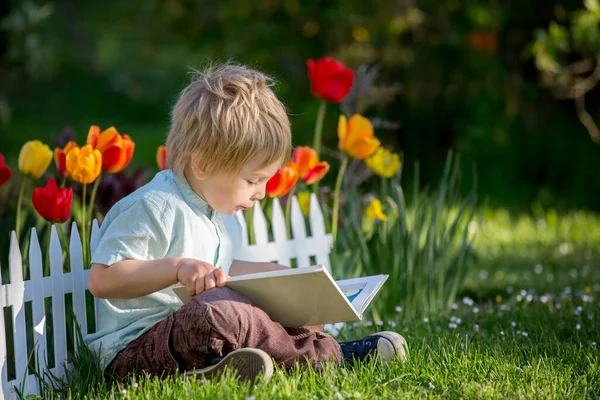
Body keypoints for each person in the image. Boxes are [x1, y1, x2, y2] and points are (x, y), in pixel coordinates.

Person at [84, 63, 408, 382]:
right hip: (134, 351)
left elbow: (219, 269)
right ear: (203, 164)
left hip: (189, 341)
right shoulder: (155, 206)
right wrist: (177, 267)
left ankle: (215, 370)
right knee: (220, 312)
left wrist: (279, 279)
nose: (262, 193)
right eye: (253, 180)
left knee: (278, 308)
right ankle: (335, 357)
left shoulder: (221, 215)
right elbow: (103, 279)